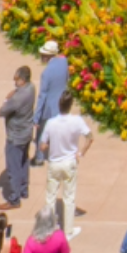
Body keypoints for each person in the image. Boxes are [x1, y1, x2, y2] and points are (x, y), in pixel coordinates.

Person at [37, 89, 93, 234]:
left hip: (54, 163)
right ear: (71, 105)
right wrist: (81, 153)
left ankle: (48, 228)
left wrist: (48, 145)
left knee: (50, 197)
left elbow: (42, 145)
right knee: (69, 198)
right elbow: (90, 137)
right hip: (69, 163)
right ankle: (68, 230)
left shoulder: (50, 123)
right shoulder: (77, 121)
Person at [0, 65, 36, 207]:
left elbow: (2, 111)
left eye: (16, 79)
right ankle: (23, 190)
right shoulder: (31, 88)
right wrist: (14, 91)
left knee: (13, 167)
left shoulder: (17, 99)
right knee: (23, 162)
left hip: (15, 137)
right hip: (26, 134)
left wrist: (6, 100)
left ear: (22, 79)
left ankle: (14, 199)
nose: (14, 82)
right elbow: (18, 91)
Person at [34, 38, 69, 132]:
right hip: (62, 108)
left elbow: (42, 96)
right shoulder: (64, 62)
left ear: (46, 56)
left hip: (49, 113)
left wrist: (36, 118)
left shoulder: (46, 73)